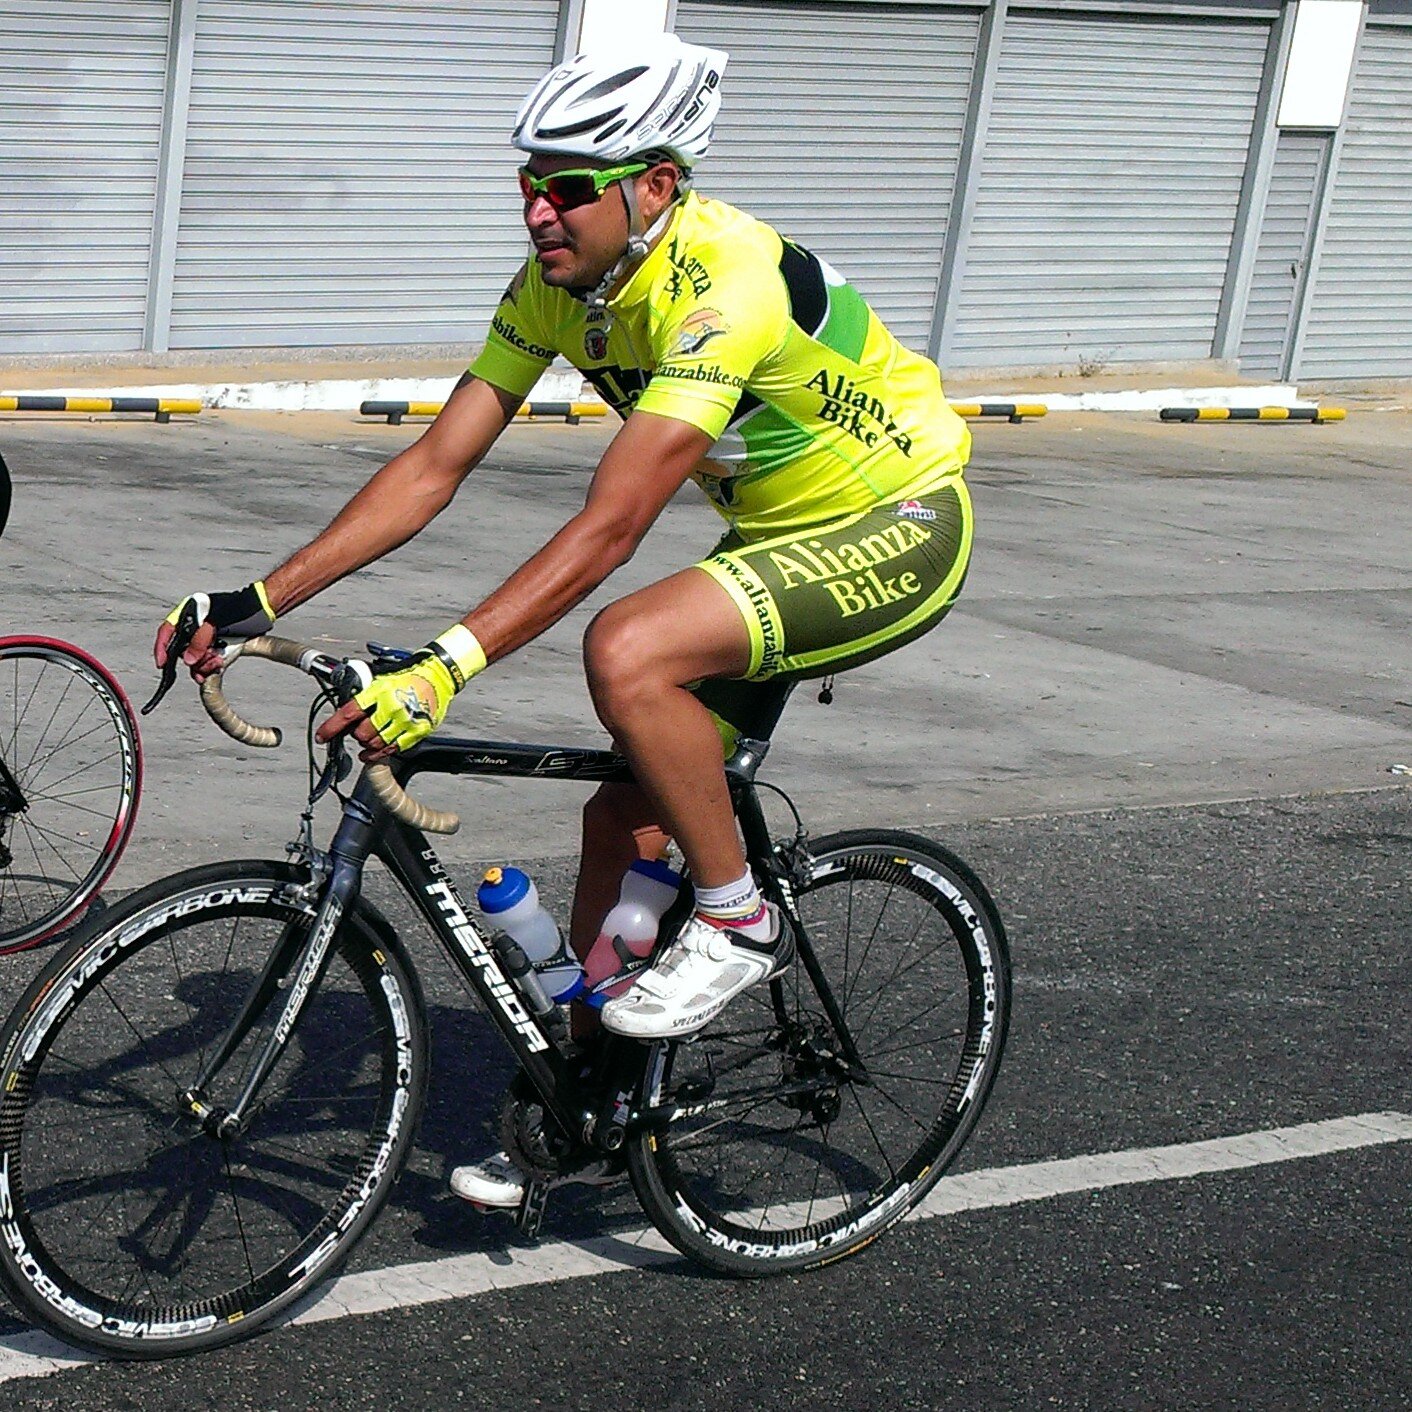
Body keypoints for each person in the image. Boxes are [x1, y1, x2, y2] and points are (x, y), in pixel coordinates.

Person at [153, 33, 974, 1208]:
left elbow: (610, 525)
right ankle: (586, 1096)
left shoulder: (721, 285)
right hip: (772, 540)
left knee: (626, 647)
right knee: (619, 826)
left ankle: (737, 922)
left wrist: (443, 667)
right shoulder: (557, 283)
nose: (539, 209)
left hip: (896, 520)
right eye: (528, 182)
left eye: (569, 185)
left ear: (654, 185)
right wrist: (256, 599)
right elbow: (436, 463)